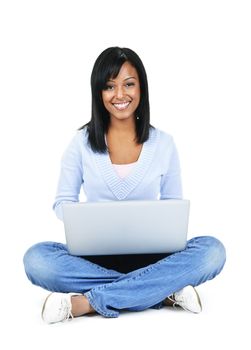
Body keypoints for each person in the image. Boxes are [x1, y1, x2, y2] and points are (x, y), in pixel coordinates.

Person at [23, 46, 226, 324]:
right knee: (37, 259)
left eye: (128, 84)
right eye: (109, 86)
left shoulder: (164, 144)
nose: (120, 95)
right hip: (93, 260)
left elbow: (172, 208)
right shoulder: (80, 144)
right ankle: (162, 292)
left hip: (154, 258)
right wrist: (86, 220)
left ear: (141, 88)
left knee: (212, 251)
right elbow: (62, 202)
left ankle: (87, 302)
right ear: (99, 93)